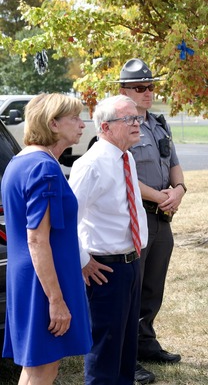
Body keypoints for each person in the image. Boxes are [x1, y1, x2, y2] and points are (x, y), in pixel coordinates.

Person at [1, 93, 92, 384]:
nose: (81, 124)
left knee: (38, 366)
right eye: (75, 118)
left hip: (30, 277)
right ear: (53, 124)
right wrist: (56, 299)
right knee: (43, 368)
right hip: (44, 283)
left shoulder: (18, 161)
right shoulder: (45, 168)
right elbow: (36, 240)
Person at [69, 95, 149, 384]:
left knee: (126, 349)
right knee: (105, 351)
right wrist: (82, 261)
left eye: (136, 117)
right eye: (128, 119)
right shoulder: (90, 165)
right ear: (105, 127)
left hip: (131, 262)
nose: (136, 123)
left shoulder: (125, 157)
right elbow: (67, 219)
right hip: (104, 269)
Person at [115, 58, 186, 383]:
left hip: (162, 217)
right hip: (137, 216)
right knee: (130, 289)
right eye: (140, 87)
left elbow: (172, 161)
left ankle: (145, 341)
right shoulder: (121, 125)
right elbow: (122, 174)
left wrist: (179, 190)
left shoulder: (158, 122)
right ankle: (125, 356)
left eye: (151, 86)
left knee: (153, 287)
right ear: (124, 90)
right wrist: (160, 197)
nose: (148, 92)